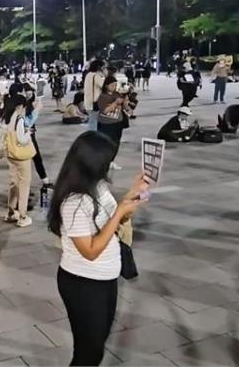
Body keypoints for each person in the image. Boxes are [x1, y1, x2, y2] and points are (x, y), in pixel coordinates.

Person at [47, 131, 148, 366]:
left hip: (106, 278)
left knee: (97, 345)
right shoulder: (74, 202)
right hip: (83, 283)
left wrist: (132, 196)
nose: (111, 165)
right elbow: (90, 251)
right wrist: (120, 212)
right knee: (88, 352)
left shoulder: (99, 186)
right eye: (107, 161)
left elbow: (109, 221)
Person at [1, 94, 35, 227]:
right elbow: (21, 139)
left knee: (14, 183)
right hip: (21, 156)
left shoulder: (5, 117)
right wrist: (28, 133)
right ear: (20, 106)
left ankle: (10, 211)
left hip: (10, 154)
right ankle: (23, 215)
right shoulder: (19, 119)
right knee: (24, 184)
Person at [96, 76, 130, 167]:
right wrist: (115, 103)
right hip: (106, 124)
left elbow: (125, 107)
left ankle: (111, 161)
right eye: (112, 85)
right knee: (105, 144)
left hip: (117, 123)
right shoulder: (103, 96)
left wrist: (126, 98)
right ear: (106, 86)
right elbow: (105, 110)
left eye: (115, 85)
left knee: (115, 143)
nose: (114, 87)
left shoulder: (117, 94)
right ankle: (103, 161)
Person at [83, 60, 105, 131]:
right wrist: (105, 75)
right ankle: (92, 138)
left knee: (92, 121)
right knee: (93, 123)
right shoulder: (96, 76)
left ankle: (91, 137)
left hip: (88, 102)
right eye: (103, 67)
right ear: (99, 67)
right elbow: (105, 86)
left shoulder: (88, 75)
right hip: (94, 103)